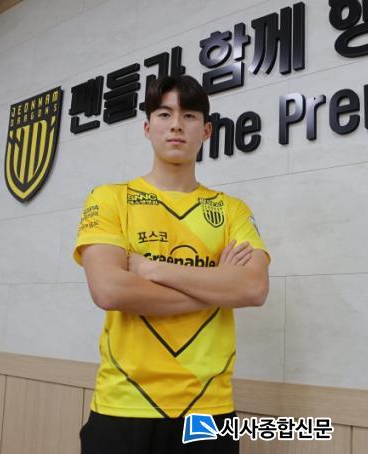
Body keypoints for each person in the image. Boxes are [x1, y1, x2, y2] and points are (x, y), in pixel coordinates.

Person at [72, 75, 270, 454]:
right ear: (148, 128)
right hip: (123, 403)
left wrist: (153, 269)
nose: (176, 124)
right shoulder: (110, 198)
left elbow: (253, 288)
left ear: (206, 131)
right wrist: (218, 284)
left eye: (189, 115)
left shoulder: (232, 210)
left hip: (208, 410)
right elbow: (109, 290)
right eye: (164, 114)